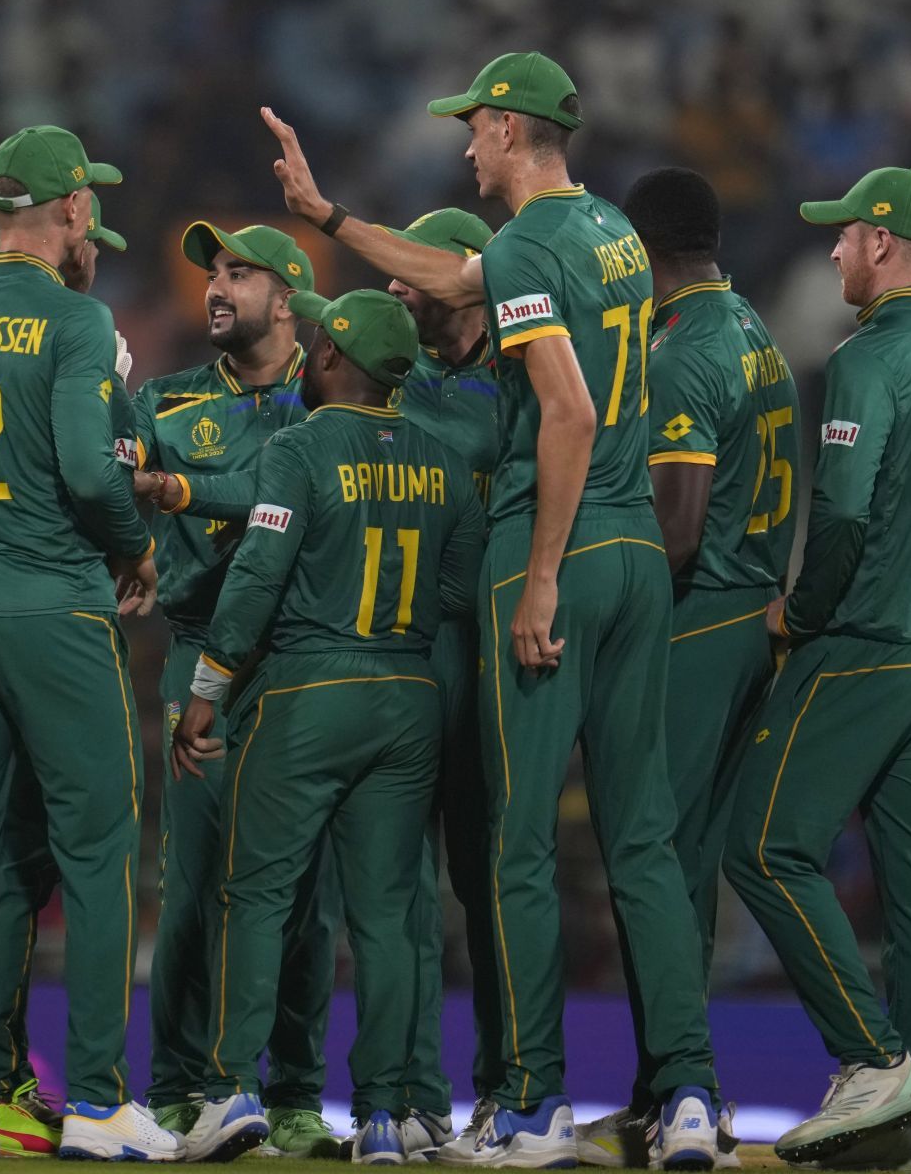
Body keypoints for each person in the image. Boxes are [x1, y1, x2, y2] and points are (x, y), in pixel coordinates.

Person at [261, 51, 721, 1169]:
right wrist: (328, 218)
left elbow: (560, 411)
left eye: (473, 126)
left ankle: (531, 1103)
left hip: (553, 538)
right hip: (636, 555)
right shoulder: (609, 230)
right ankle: (691, 1099)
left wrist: (544, 571)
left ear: (511, 129)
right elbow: (456, 281)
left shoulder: (521, 245)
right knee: (644, 839)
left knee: (514, 845)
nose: (464, 143)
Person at [0, 126, 177, 1161]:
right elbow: (88, 470)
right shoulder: (73, 320)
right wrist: (136, 549)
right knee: (99, 853)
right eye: (85, 206)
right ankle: (101, 1100)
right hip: (49, 606)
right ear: (69, 211)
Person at [173, 287, 483, 1166]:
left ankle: (232, 1089)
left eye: (319, 344)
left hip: (311, 688)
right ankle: (383, 1116)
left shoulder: (299, 447)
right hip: (409, 690)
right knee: (388, 916)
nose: (308, 354)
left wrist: (209, 683)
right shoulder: (447, 460)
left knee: (257, 895)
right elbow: (460, 589)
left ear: (338, 359)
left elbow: (259, 575)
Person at [723, 168, 911, 1172]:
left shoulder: (873, 354)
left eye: (842, 237)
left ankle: (871, 1062)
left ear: (881, 241)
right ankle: (901, 1128)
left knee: (762, 844)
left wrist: (808, 608)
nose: (831, 252)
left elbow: (840, 513)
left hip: (871, 644)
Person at [572, 167, 802, 1170]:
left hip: (700, 619)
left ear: (641, 246)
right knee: (686, 870)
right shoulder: (754, 332)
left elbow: (675, 526)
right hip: (755, 617)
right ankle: (659, 1094)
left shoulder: (681, 353)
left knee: (642, 857)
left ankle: (691, 1090)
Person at [128, 222, 342, 1157]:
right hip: (201, 652)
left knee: (299, 892)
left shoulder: (336, 400)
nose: (217, 287)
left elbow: (267, 490)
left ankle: (293, 1090)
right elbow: (111, 488)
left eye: (241, 273)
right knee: (193, 882)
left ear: (288, 297)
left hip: (304, 660)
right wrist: (132, 546)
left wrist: (176, 493)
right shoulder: (165, 400)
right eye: (213, 273)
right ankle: (178, 1085)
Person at [384, 207, 499, 1158]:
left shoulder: (521, 385)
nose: (391, 288)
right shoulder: (390, 377)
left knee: (496, 881)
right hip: (393, 653)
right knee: (399, 887)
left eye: (411, 276)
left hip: (490, 650)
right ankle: (416, 1094)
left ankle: (508, 1088)